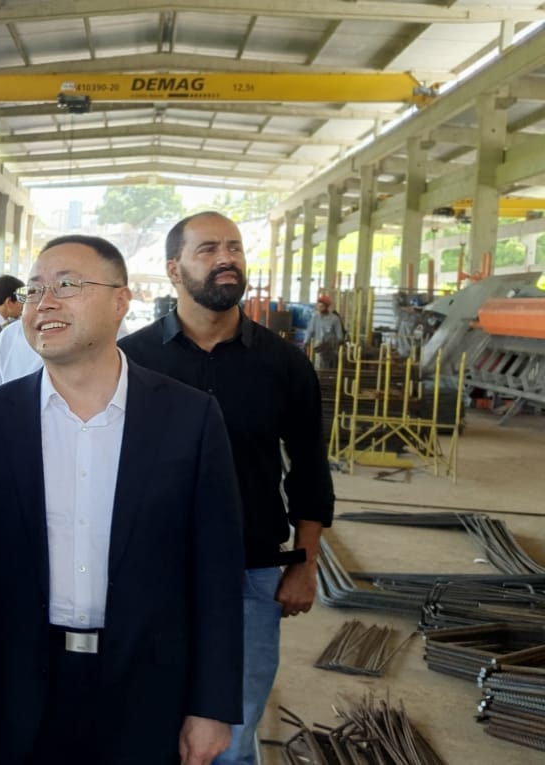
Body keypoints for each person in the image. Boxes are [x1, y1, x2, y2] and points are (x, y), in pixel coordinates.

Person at [0, 234, 244, 764]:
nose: (44, 302)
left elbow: (215, 571)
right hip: (20, 684)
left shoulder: (188, 420)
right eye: (33, 290)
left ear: (121, 301)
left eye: (67, 285)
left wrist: (212, 705)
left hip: (149, 689)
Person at [119, 212, 335, 765]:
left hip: (253, 572)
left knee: (233, 737)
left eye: (234, 248)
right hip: (151, 572)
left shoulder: (284, 364)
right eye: (208, 249)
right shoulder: (132, 361)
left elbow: (309, 469)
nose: (226, 259)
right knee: (146, 719)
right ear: (174, 269)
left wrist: (304, 564)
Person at [0, 318, 131, 394]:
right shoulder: (11, 336)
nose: (47, 301)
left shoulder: (117, 340)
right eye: (35, 289)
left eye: (67, 285)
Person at [307, 294, 345, 369]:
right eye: (318, 306)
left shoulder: (334, 319)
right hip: (318, 345)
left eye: (322, 306)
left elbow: (340, 336)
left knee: (329, 367)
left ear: (327, 307)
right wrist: (305, 342)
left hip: (331, 347)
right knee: (318, 365)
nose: (319, 308)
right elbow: (310, 330)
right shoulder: (315, 317)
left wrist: (332, 344)